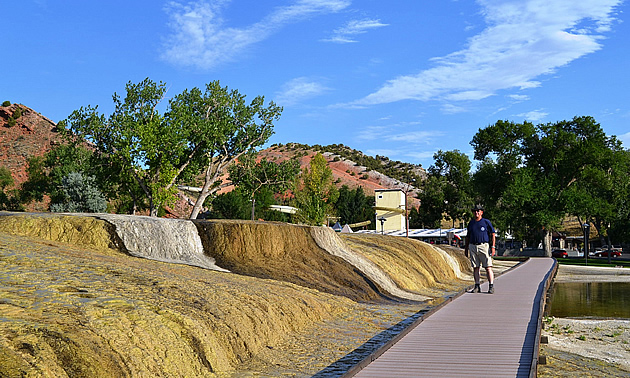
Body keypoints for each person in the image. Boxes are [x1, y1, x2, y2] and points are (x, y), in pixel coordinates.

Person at [464, 204, 496, 294]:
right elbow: (468, 236)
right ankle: (477, 286)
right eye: (475, 211)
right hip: (473, 246)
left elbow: (492, 234)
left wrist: (493, 246)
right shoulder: (471, 223)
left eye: (478, 211)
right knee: (475, 267)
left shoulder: (486, 222)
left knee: (488, 267)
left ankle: (491, 286)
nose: (476, 213)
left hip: (483, 246)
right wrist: (466, 249)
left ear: (481, 212)